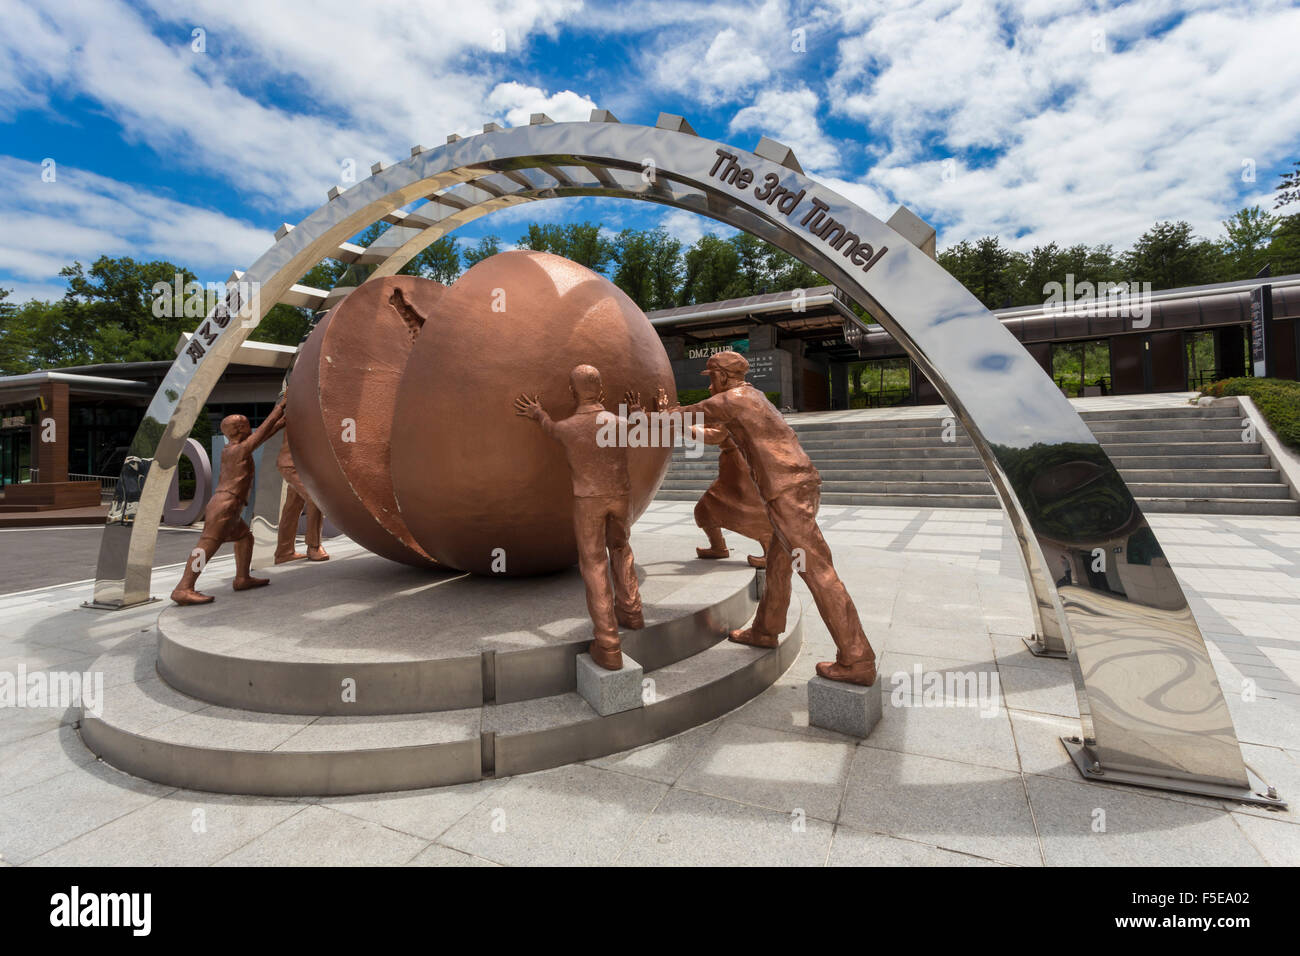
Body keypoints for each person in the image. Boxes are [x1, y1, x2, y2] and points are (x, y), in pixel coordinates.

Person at [667, 350, 877, 685]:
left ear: (721, 375)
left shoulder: (732, 399)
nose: (709, 385)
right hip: (797, 486)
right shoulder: (753, 396)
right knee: (780, 565)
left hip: (786, 493)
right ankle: (765, 630)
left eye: (711, 378)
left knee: (817, 571)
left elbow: (682, 417)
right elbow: (714, 431)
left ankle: (857, 659)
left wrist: (646, 415)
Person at [514, 365, 644, 670]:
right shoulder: (617, 423)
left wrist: (538, 413)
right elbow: (638, 426)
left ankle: (608, 644)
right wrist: (637, 410)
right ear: (601, 391)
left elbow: (548, 426)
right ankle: (633, 612)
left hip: (588, 501)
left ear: (572, 392)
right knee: (622, 549)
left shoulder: (567, 428)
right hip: (621, 497)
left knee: (594, 563)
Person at [170, 400, 287, 606]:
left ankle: (242, 579)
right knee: (206, 546)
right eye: (243, 423)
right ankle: (184, 587)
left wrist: (281, 423)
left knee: (244, 538)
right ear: (237, 429)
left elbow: (260, 438)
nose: (247, 424)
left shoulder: (234, 448)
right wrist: (279, 409)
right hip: (225, 506)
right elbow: (260, 435)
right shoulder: (237, 450)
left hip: (230, 506)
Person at [691, 423, 770, 569]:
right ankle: (718, 547)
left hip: (741, 468)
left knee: (750, 511)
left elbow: (714, 435)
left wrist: (682, 427)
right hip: (731, 466)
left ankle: (770, 553)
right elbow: (708, 425)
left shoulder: (729, 412)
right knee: (705, 507)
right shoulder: (722, 411)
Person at [274, 430, 329, 564]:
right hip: (291, 464)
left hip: (303, 465)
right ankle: (313, 547)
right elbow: (270, 426)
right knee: (315, 498)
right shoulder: (296, 410)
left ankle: (284, 551)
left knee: (292, 506)